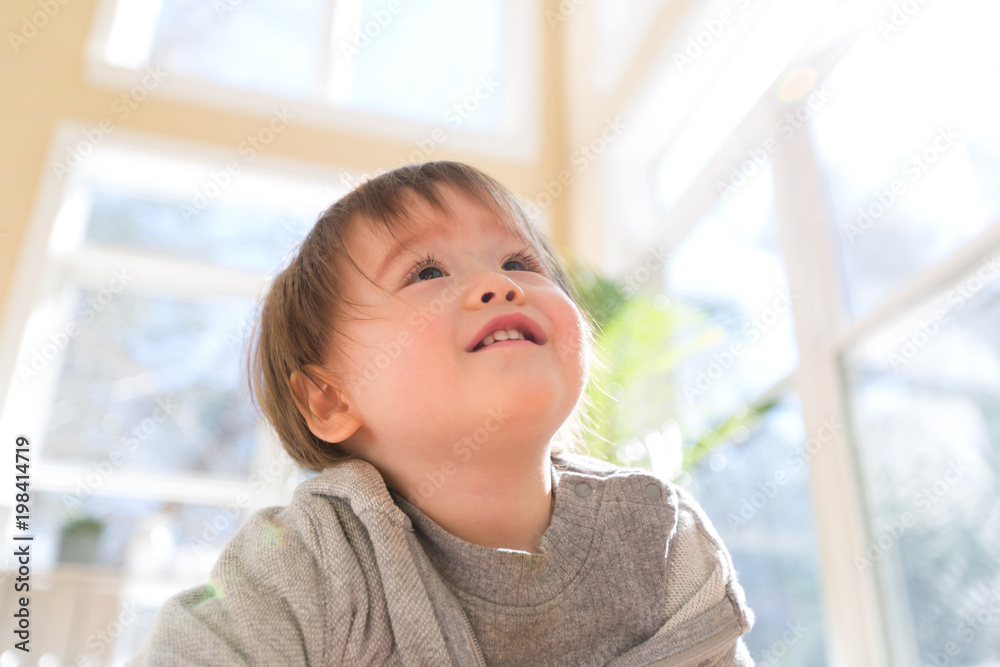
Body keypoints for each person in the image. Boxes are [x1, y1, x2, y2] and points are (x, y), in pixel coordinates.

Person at [128, 161, 755, 666]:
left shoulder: (659, 531)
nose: (499, 285)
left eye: (519, 263)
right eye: (426, 272)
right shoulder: (310, 563)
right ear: (331, 399)